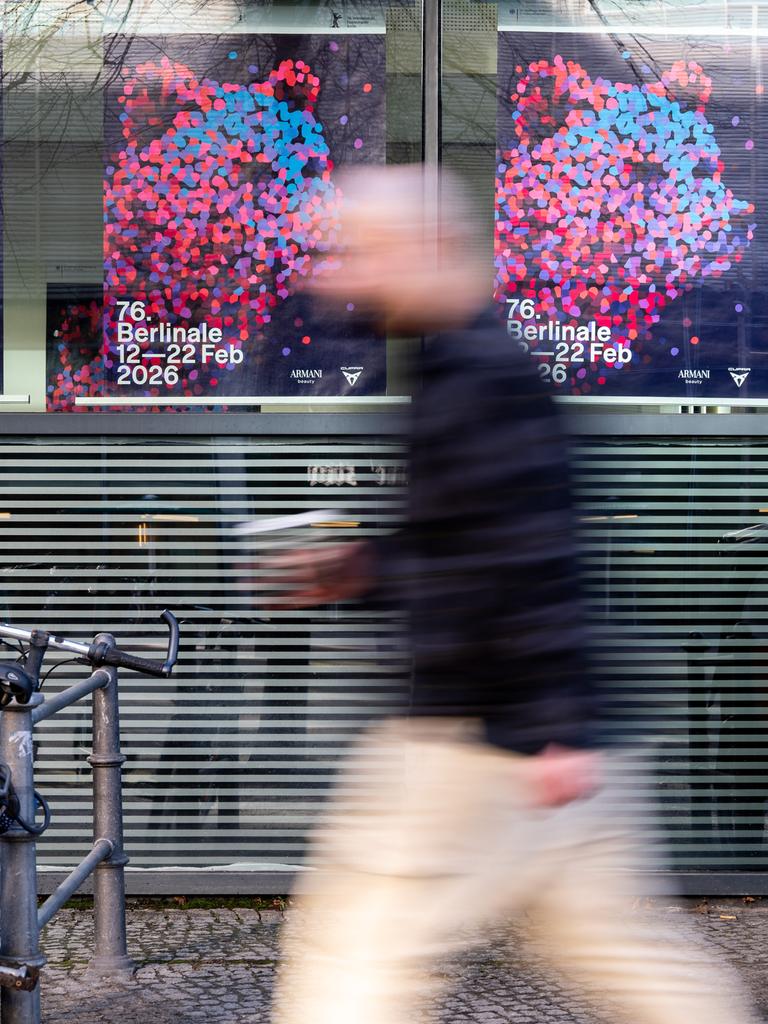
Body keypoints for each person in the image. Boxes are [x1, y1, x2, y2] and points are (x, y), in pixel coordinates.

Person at [269, 165, 758, 1024]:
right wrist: (364, 568)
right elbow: (471, 547)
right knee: (620, 949)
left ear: (423, 252)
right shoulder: (459, 366)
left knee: (357, 953)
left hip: (480, 740)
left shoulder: (477, 377)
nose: (336, 274)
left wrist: (552, 726)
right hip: (532, 738)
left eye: (359, 253)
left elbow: (532, 553)